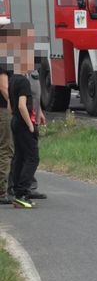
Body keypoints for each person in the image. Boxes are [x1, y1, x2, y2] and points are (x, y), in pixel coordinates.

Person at [9, 25, 39, 208]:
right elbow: (21, 105)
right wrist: (30, 125)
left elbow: (10, 105)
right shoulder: (24, 82)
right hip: (22, 122)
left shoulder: (13, 80)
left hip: (14, 121)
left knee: (19, 156)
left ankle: (16, 192)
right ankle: (22, 192)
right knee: (32, 157)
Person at [0, 29, 14, 205]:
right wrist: (12, 104)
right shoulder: (3, 62)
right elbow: (3, 87)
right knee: (6, 149)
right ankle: (2, 190)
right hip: (3, 110)